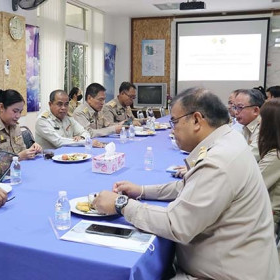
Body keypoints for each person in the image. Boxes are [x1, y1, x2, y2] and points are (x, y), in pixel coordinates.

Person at [93, 87, 278, 279]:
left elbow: (176, 225)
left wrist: (120, 204)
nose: (173, 130)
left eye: (174, 122)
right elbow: (190, 186)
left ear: (197, 120)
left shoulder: (218, 161)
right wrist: (141, 190)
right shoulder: (229, 140)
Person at [0, 89, 41, 172]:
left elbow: (22, 151)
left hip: (16, 172)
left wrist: (32, 150)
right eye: (15, 111)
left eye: (20, 112)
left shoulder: (15, 127)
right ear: (1, 107)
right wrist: (19, 157)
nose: (18, 116)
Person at [258, 98, 280, 232]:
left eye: (261, 118)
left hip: (269, 218)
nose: (258, 122)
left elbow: (250, 185)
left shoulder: (276, 157)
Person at [233, 88, 264, 161]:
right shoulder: (245, 126)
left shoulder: (263, 128)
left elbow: (247, 157)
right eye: (235, 107)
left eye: (240, 107)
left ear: (256, 110)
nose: (236, 112)